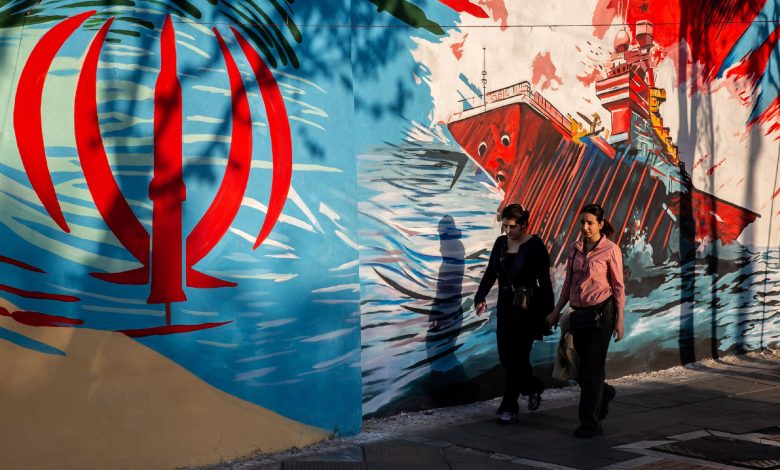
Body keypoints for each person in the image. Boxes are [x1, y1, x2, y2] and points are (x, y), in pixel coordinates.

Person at [546, 203, 625, 438]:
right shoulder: (575, 249)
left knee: (593, 368)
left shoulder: (611, 250)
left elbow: (618, 287)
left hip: (602, 314)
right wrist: (556, 311)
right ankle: (604, 392)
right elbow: (568, 284)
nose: (585, 227)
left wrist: (619, 320)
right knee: (578, 367)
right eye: (583, 222)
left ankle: (590, 423)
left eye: (590, 223)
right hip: (578, 314)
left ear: (600, 224)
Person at [474, 204, 554, 424]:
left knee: (518, 357)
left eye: (512, 226)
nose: (508, 230)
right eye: (505, 226)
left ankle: (509, 407)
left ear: (524, 225)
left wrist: (550, 312)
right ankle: (533, 386)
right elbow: (491, 272)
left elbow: (545, 281)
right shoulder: (500, 244)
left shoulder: (534, 245)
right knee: (506, 357)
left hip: (528, 309)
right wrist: (480, 296)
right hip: (505, 308)